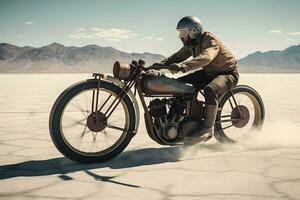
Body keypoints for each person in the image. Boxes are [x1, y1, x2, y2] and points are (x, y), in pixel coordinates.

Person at [152, 16, 239, 143]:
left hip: (227, 73)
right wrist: (160, 65)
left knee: (210, 90)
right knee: (178, 84)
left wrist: (184, 66)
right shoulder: (190, 44)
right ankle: (176, 121)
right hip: (209, 73)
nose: (181, 36)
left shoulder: (210, 40)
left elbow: (206, 57)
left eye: (183, 32)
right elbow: (178, 56)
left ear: (194, 31)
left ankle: (208, 129)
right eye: (180, 33)